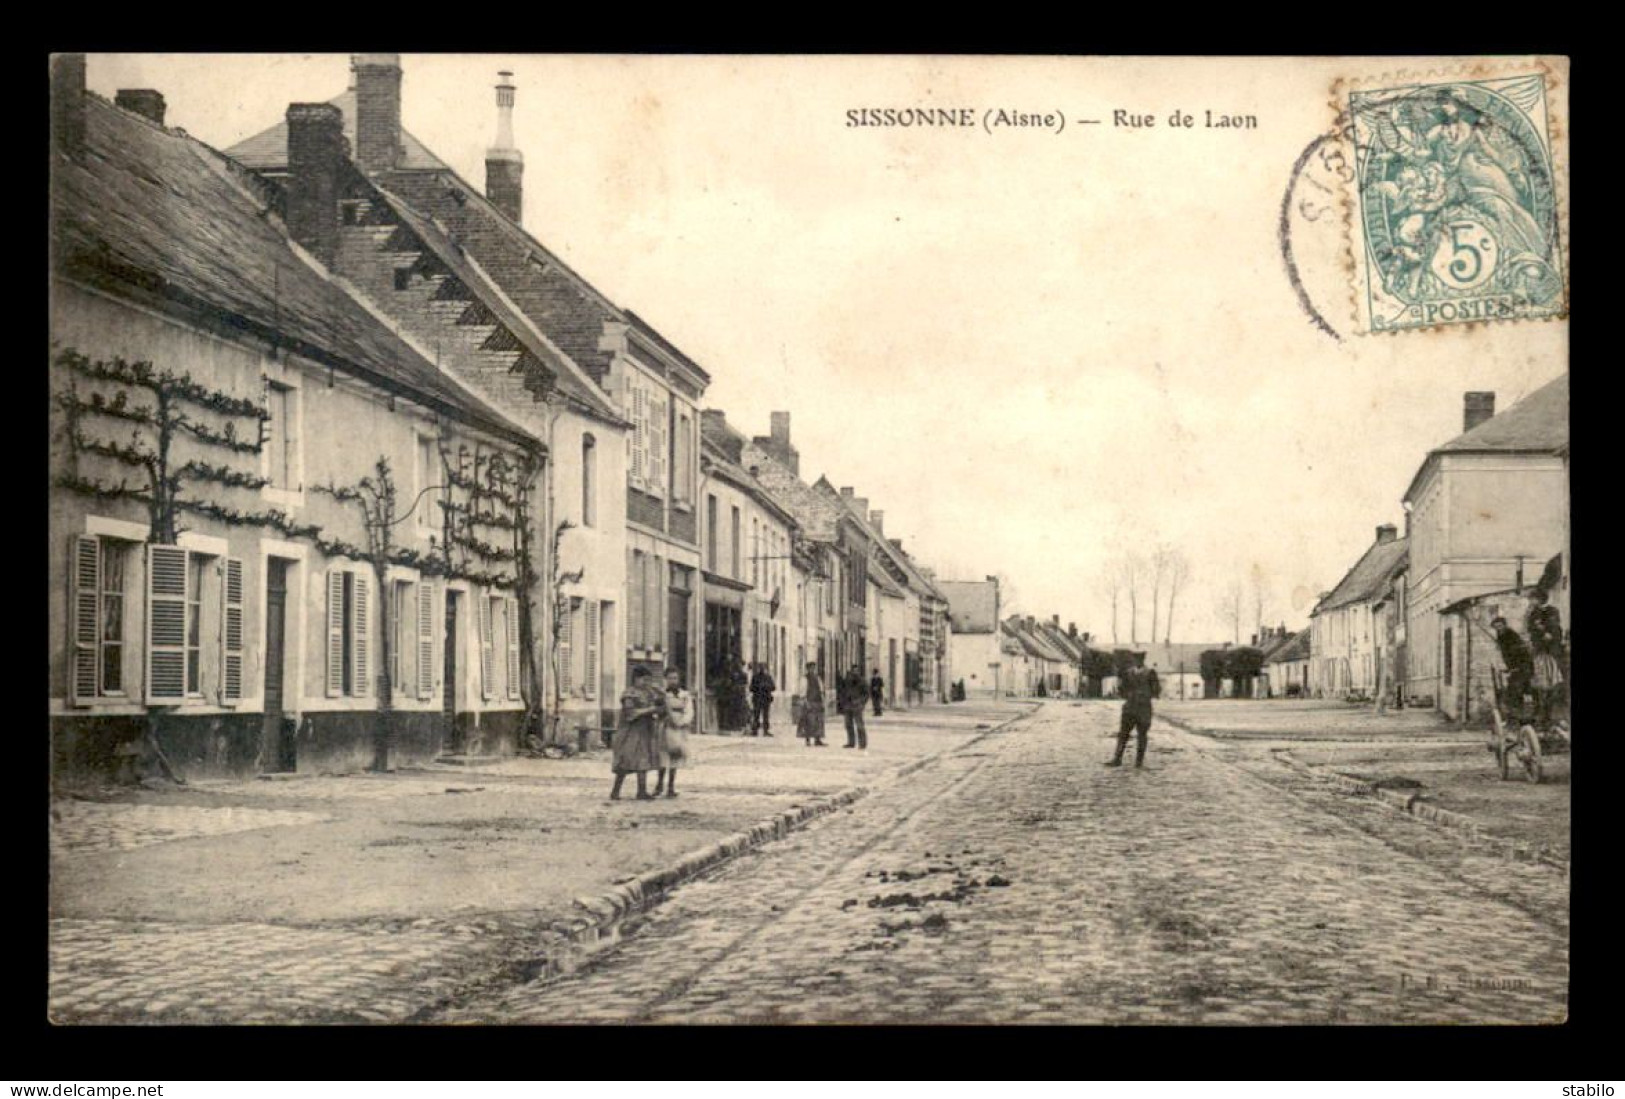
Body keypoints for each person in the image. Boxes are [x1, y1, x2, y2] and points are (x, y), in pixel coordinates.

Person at [611, 665, 666, 801]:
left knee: (643, 761)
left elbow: (661, 704)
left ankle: (641, 791)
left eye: (648, 680)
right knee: (625, 761)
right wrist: (651, 709)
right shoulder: (629, 694)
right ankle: (615, 791)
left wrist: (660, 698)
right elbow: (630, 714)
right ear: (636, 679)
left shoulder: (649, 693)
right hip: (630, 732)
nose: (646, 683)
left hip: (645, 731)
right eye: (644, 680)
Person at [1106, 653, 1160, 769]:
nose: (1137, 661)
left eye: (1139, 659)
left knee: (1142, 735)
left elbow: (1156, 690)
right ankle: (1117, 758)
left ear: (1143, 660)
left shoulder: (1150, 673)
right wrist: (1126, 694)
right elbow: (1122, 688)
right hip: (1129, 708)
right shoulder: (1128, 673)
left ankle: (1139, 762)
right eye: (1135, 659)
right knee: (1123, 734)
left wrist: (1145, 695)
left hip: (1143, 708)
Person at [1525, 590, 1566, 727]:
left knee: (1551, 684)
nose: (1530, 602)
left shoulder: (1552, 611)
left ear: (1540, 598)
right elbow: (1530, 629)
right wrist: (1537, 631)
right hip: (1539, 652)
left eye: (1532, 599)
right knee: (1539, 684)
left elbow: (1554, 630)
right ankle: (1539, 713)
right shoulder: (1533, 613)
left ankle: (1549, 715)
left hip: (1550, 654)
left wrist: (1546, 631)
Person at [653, 667, 693, 798]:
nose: (672, 681)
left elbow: (689, 711)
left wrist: (682, 722)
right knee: (663, 757)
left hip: (679, 729)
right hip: (665, 727)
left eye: (675, 678)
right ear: (665, 679)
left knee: (675, 757)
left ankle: (671, 786)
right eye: (670, 678)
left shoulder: (684, 695)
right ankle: (659, 784)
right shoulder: (661, 695)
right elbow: (655, 710)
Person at [1491, 616, 1534, 724]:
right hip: (1515, 669)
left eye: (1500, 626)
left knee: (1517, 691)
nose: (1498, 629)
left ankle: (1522, 718)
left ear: (1505, 625)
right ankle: (1517, 717)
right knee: (1513, 692)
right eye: (1496, 627)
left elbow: (1518, 653)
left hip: (1522, 668)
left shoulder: (1512, 636)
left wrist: (1513, 668)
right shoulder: (1501, 636)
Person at [798, 662, 827, 747]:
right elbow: (802, 691)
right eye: (811, 668)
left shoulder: (818, 678)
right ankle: (808, 739)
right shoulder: (804, 679)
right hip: (809, 701)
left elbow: (821, 690)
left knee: (819, 721)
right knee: (809, 721)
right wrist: (805, 701)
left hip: (817, 702)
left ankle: (817, 739)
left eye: (814, 668)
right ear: (808, 669)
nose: (813, 670)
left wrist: (823, 701)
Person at [840, 665, 868, 750]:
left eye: (856, 671)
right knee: (848, 724)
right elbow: (843, 692)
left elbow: (866, 694)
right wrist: (843, 702)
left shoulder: (862, 681)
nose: (855, 673)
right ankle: (851, 742)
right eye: (853, 671)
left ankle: (862, 743)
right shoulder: (847, 681)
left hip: (857, 705)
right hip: (848, 705)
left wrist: (861, 702)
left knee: (859, 725)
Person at [749, 662, 776, 737]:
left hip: (765, 699)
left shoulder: (768, 677)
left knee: (765, 715)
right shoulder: (755, 677)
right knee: (756, 715)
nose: (761, 669)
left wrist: (766, 687)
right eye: (760, 667)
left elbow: (773, 687)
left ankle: (765, 730)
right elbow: (751, 688)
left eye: (763, 668)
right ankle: (755, 730)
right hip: (757, 698)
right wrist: (757, 688)